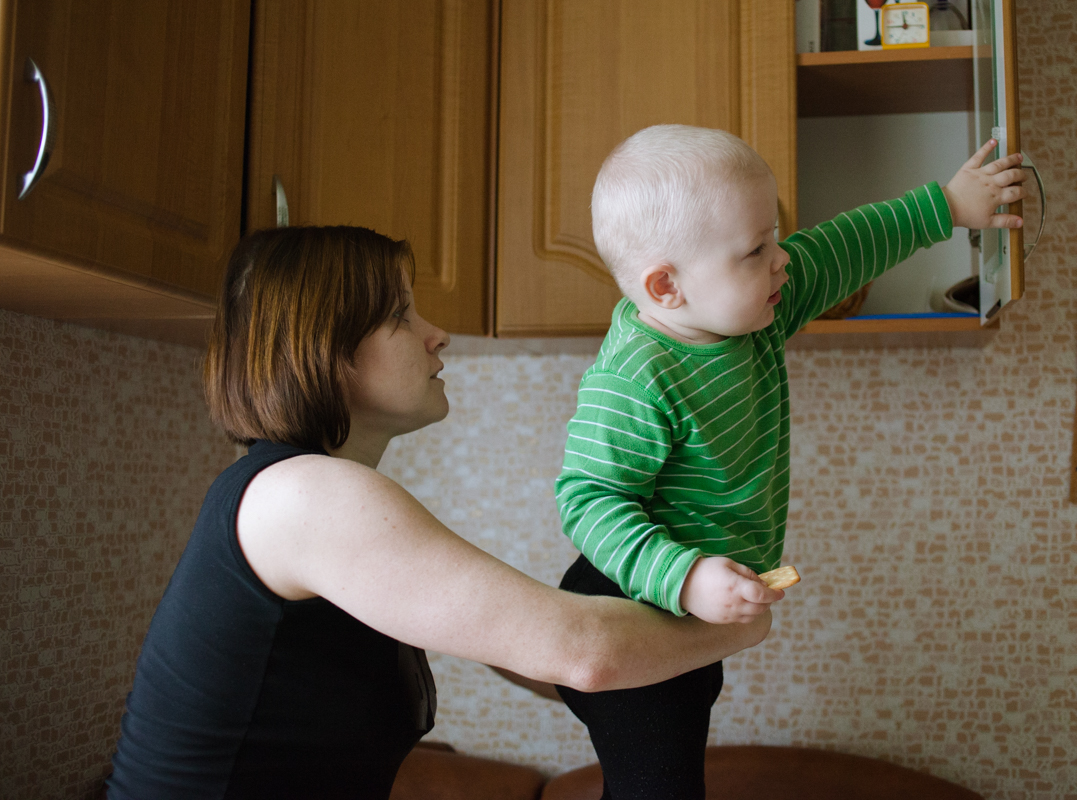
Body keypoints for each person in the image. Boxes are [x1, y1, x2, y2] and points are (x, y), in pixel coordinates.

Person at [104, 225, 774, 800]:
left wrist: (648, 669)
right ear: (325, 348)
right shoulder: (304, 499)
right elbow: (582, 655)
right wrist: (743, 617)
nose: (438, 335)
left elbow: (540, 654)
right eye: (402, 315)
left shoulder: (305, 496)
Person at [552, 124, 1027, 800]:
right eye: (756, 249)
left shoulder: (753, 309)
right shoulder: (637, 374)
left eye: (773, 238)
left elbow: (842, 248)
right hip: (626, 608)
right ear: (666, 287)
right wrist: (684, 578)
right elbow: (588, 499)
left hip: (689, 614)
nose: (781, 260)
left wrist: (946, 206)